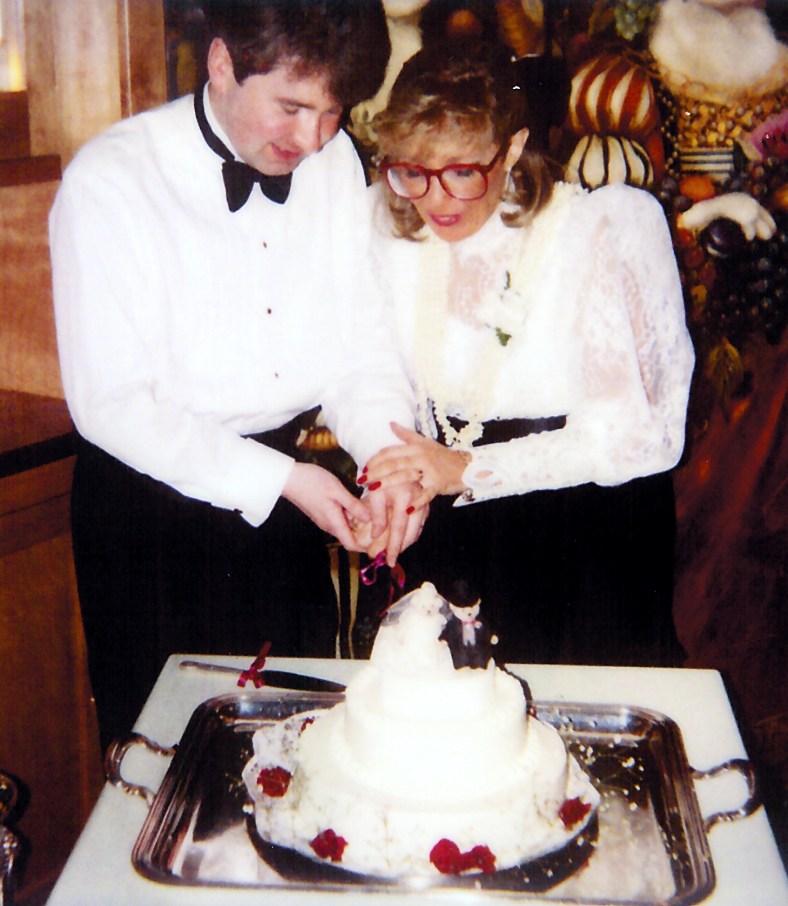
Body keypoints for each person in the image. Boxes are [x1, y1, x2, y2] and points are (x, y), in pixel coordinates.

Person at [50, 0, 425, 751]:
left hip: (285, 510)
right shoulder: (111, 179)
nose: (315, 138)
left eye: (333, 111)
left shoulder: (334, 162)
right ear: (222, 63)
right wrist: (282, 478)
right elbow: (112, 405)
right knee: (166, 768)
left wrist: (392, 461)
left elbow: (360, 351)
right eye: (291, 107)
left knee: (297, 760)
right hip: (150, 518)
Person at [358, 45, 695, 667]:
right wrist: (402, 476)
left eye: (463, 171)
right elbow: (370, 367)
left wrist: (468, 470)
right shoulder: (387, 224)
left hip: (579, 532)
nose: (436, 200)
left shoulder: (602, 229)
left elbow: (645, 436)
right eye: (411, 170)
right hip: (452, 523)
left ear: (511, 148)